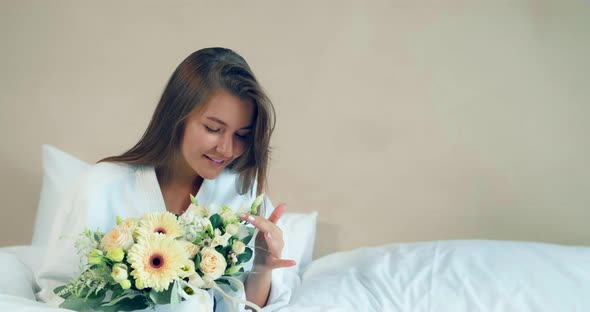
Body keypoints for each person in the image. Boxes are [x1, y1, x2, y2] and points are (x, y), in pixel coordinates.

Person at [36, 47, 297, 311]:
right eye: (213, 129)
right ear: (177, 117)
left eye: (241, 135)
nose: (227, 149)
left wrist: (262, 266)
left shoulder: (241, 192)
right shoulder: (99, 188)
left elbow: (250, 307)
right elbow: (58, 294)